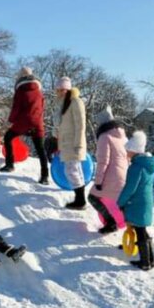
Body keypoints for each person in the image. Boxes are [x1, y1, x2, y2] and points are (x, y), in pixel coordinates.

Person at [0, 67, 49, 185]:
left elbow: (16, 108)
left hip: (24, 121)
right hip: (37, 122)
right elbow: (42, 108)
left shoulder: (20, 90)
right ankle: (44, 176)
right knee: (41, 149)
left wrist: (11, 120)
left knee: (8, 137)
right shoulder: (39, 92)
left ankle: (9, 164)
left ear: (20, 77)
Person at [117, 131, 154, 271]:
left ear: (133, 150)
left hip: (137, 204)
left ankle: (145, 262)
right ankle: (151, 259)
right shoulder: (148, 165)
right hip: (145, 202)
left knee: (140, 232)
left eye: (127, 150)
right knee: (143, 231)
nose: (126, 153)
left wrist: (120, 202)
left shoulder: (136, 167)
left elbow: (130, 188)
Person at [87, 106, 128, 234]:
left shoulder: (104, 136)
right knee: (110, 199)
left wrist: (98, 181)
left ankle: (111, 223)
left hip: (111, 175)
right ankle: (119, 221)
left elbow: (103, 161)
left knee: (93, 197)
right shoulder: (122, 136)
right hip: (122, 174)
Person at [53, 77, 88, 210]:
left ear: (68, 89)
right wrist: (56, 136)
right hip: (66, 143)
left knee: (72, 171)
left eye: (63, 89)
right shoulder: (62, 104)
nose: (60, 92)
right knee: (75, 171)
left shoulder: (76, 102)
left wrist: (78, 144)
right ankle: (80, 199)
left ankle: (80, 200)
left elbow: (81, 125)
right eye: (59, 90)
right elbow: (63, 125)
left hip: (74, 143)